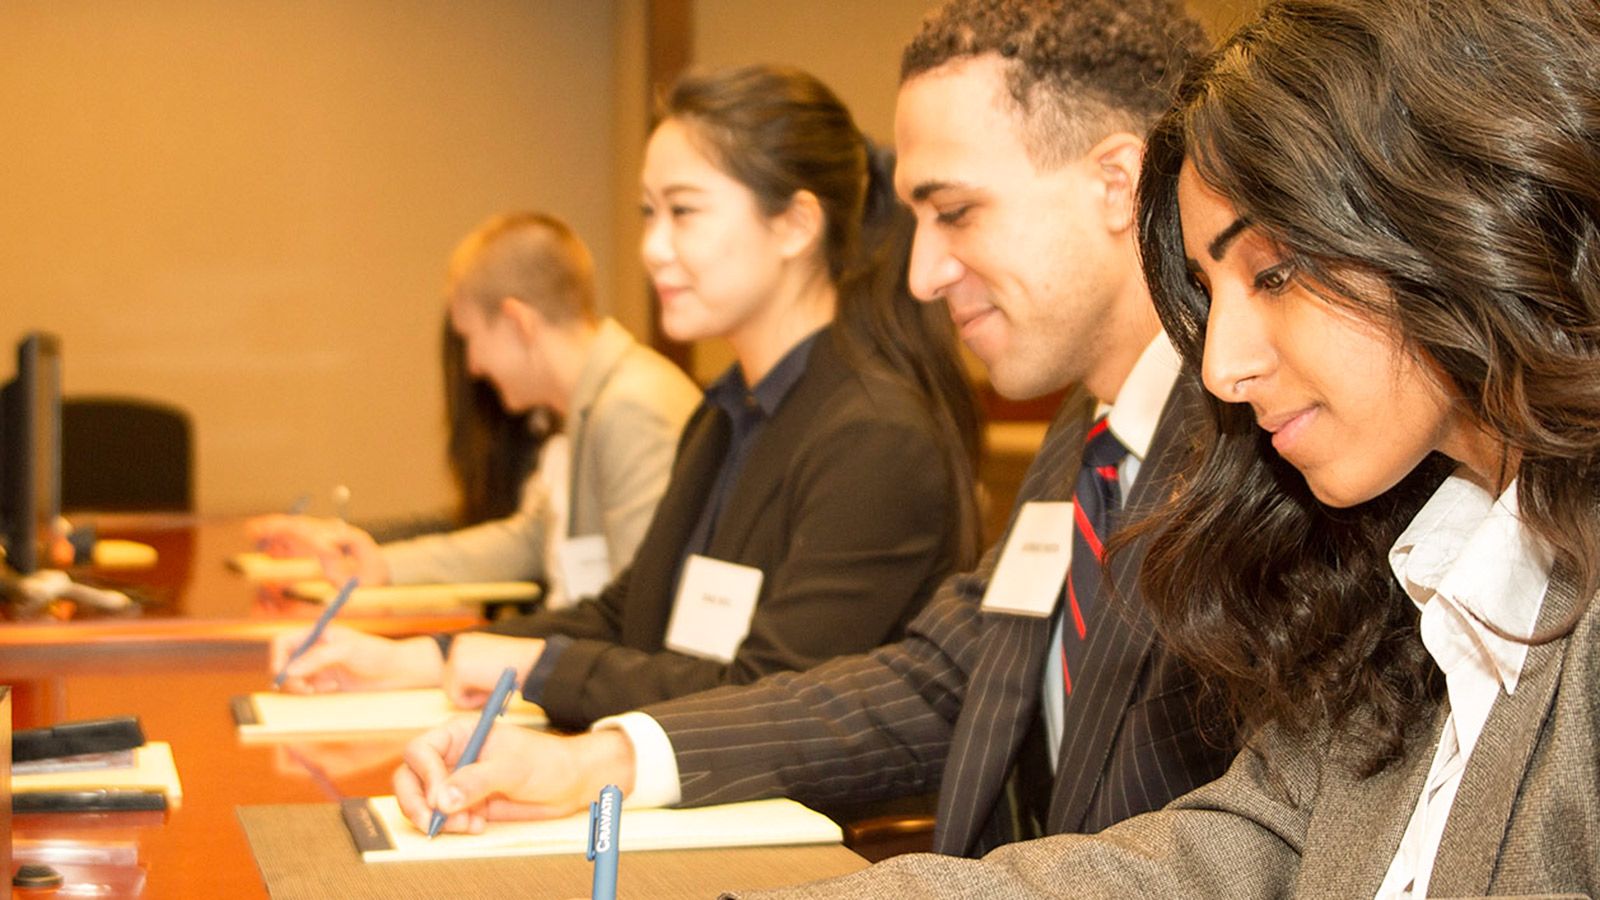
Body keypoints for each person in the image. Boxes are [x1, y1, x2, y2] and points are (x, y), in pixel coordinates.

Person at [711, 0, 1600, 895]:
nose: (1219, 369)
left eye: (1274, 274)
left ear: (1456, 210)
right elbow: (1239, 846)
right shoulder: (1417, 564)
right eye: (1210, 291)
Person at [390, 0, 1236, 857]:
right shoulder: (1084, 437)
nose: (922, 274)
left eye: (957, 212)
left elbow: (1238, 847)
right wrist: (608, 759)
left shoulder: (1257, 453)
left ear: (1119, 185)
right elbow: (940, 681)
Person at [273, 64, 985, 729]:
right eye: (648, 213)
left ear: (796, 225)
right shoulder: (727, 410)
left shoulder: (874, 434)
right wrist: (424, 657)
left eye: (684, 212)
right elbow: (629, 614)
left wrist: (537, 668)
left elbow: (769, 698)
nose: (652, 247)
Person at [250, 212, 700, 610]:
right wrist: (382, 565)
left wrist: (464, 655)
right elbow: (528, 540)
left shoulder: (630, 408)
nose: (472, 365)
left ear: (517, 323)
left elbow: (636, 617)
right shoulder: (591, 401)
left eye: (470, 338)